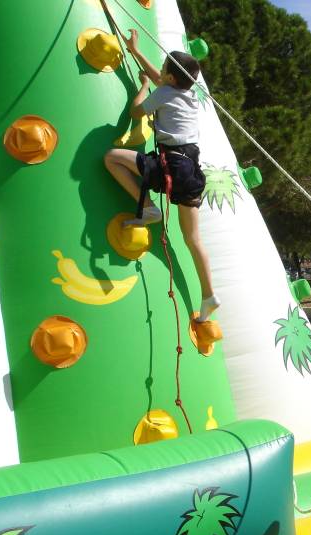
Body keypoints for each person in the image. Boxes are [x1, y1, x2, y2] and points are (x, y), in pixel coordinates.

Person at [104, 29, 219, 323]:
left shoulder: (163, 92)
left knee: (113, 158)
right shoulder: (187, 94)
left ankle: (148, 208)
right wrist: (135, 51)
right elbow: (163, 80)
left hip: (173, 166)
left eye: (165, 68)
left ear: (170, 77)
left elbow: (136, 112)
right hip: (192, 167)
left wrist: (141, 86)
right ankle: (209, 296)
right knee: (193, 238)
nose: (161, 72)